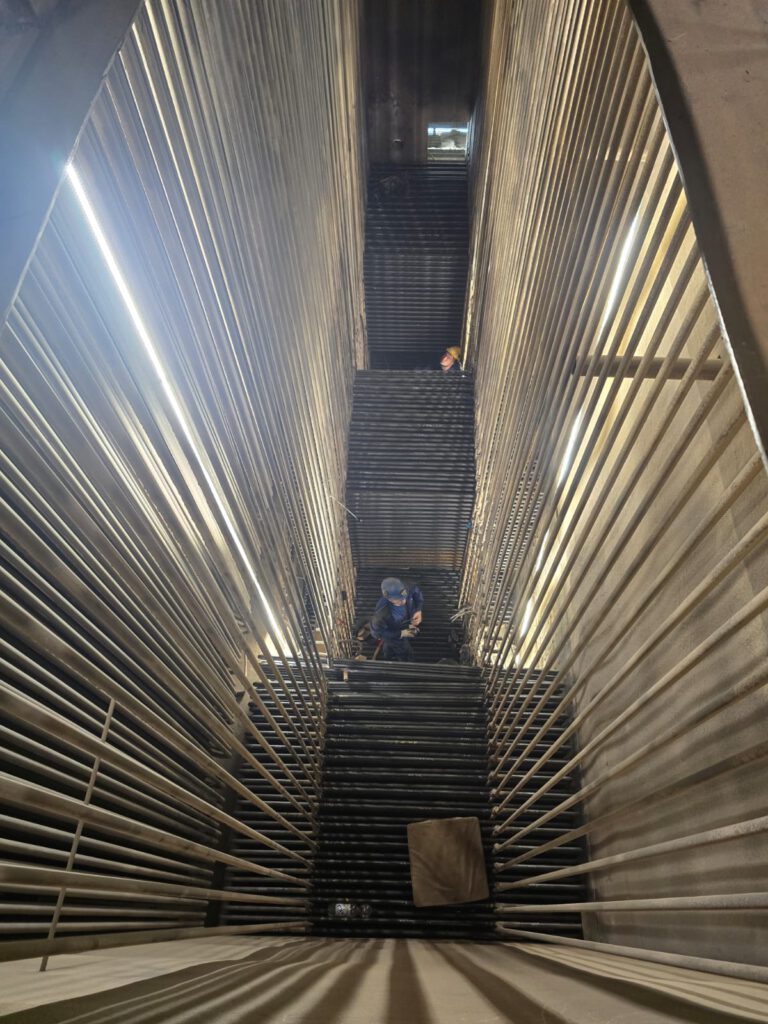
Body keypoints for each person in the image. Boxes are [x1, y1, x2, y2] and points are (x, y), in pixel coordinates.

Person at [370, 577, 424, 661]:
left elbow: (417, 593)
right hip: (394, 634)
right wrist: (401, 633)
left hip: (406, 623)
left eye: (404, 597)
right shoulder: (381, 615)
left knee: (390, 647)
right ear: (388, 598)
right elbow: (378, 634)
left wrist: (418, 610)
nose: (403, 601)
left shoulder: (406, 587)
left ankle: (388, 653)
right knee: (403, 651)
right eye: (399, 600)